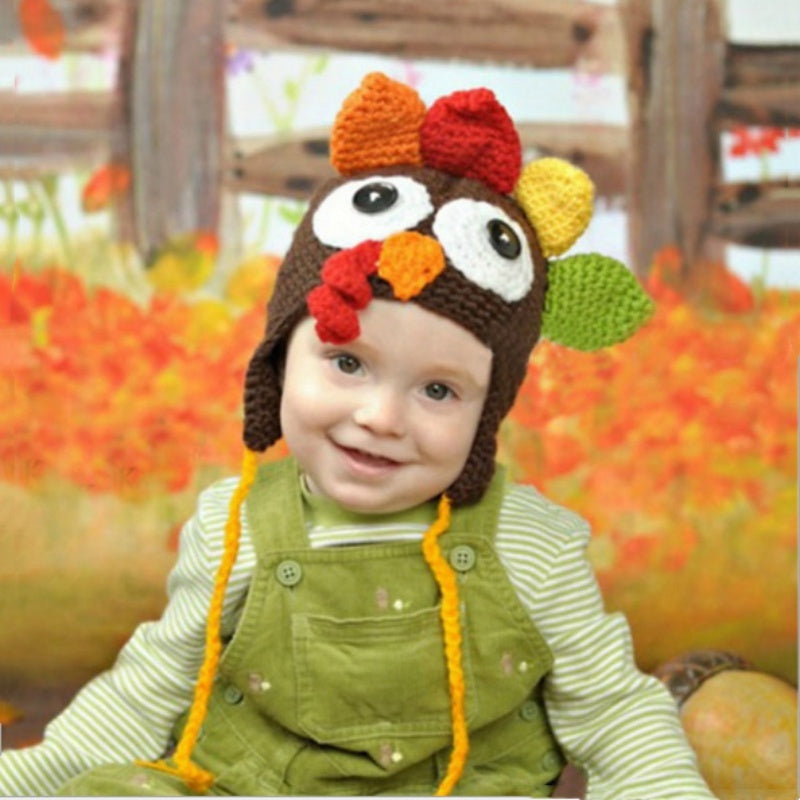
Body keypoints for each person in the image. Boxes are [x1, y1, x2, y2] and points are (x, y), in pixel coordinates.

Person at [0, 72, 716, 798]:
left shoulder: (531, 547)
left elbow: (614, 712)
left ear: (487, 412)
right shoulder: (234, 527)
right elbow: (150, 691)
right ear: (282, 355)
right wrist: (34, 780)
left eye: (438, 390)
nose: (380, 417)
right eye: (347, 362)